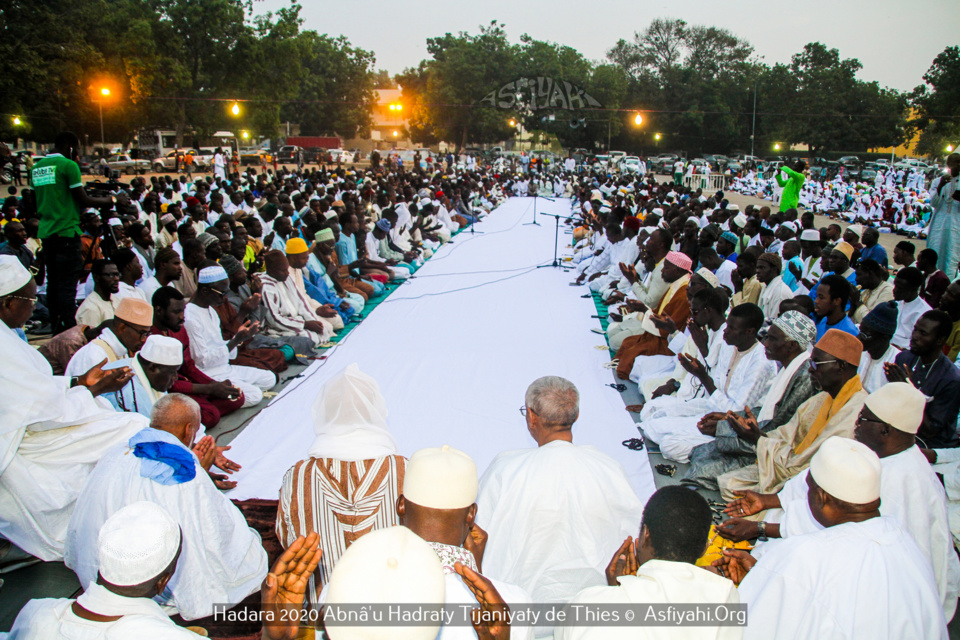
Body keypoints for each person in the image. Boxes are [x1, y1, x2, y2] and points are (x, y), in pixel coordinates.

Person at [722, 383, 960, 621]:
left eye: (862, 419)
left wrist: (760, 567)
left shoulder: (897, 483)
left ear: (885, 430)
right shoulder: (890, 466)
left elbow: (752, 619)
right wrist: (766, 508)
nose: (856, 424)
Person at [716, 437, 948, 640]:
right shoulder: (905, 543)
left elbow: (746, 623)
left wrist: (704, 589)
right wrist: (762, 576)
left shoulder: (804, 556)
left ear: (821, 497)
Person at [64, 394, 269, 621]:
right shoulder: (183, 471)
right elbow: (213, 531)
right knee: (244, 551)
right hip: (144, 584)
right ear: (189, 430)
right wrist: (199, 474)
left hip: (98, 570)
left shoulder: (116, 451)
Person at [0, 256, 147, 561]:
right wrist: (91, 389)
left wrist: (77, 383)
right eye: (30, 299)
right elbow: (39, 412)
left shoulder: (8, 335)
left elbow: (36, 390)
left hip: (43, 420)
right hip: (22, 442)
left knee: (122, 420)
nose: (33, 308)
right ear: (8, 303)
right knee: (133, 427)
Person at [475, 376, 643, 605]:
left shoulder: (506, 467)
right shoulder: (608, 467)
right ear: (576, 415)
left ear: (531, 417)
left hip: (517, 608)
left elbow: (477, 533)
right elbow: (633, 534)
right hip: (595, 605)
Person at [276, 363, 405, 601]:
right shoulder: (406, 471)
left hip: (320, 613)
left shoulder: (297, 475)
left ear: (323, 413)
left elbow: (286, 541)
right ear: (376, 411)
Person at [556, 486, 740, 640]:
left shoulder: (587, 604)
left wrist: (615, 592)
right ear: (704, 548)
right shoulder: (725, 597)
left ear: (645, 534)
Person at [397, 445, 534, 640]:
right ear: (471, 515)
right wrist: (476, 570)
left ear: (401, 505)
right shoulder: (513, 602)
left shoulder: (367, 588)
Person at [717, 329, 867, 500]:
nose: (810, 370)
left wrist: (758, 440)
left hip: (815, 482)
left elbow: (810, 463)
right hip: (788, 465)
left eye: (816, 364)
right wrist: (756, 434)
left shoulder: (857, 412)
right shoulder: (821, 399)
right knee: (728, 483)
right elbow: (786, 434)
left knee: (739, 489)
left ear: (841, 367)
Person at [683, 311, 818, 491]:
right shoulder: (789, 368)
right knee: (699, 453)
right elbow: (765, 412)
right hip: (758, 437)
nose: (765, 344)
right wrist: (728, 417)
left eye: (772, 339)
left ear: (792, 346)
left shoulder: (804, 377)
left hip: (773, 452)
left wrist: (724, 427)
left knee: (702, 467)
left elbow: (778, 429)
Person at [640, 303, 778, 464]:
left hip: (730, 424)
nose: (725, 331)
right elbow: (717, 385)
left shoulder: (760, 363)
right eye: (727, 325)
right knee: (652, 413)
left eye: (732, 328)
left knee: (669, 445)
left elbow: (737, 412)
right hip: (711, 405)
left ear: (750, 331)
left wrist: (703, 377)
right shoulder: (731, 346)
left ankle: (711, 451)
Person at [32, 132, 114, 333]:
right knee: (68, 287)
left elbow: (41, 199)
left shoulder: (36, 167)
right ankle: (70, 330)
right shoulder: (68, 165)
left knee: (53, 285)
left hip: (47, 233)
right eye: (76, 149)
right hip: (66, 232)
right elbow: (83, 199)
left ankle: (57, 329)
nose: (77, 154)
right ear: (70, 147)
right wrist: (110, 200)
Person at [150, 286, 245, 429]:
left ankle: (192, 413)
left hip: (189, 384)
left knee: (237, 397)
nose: (182, 317)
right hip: (169, 389)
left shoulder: (180, 330)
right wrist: (208, 389)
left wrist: (215, 385)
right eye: (176, 312)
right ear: (159, 311)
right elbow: (166, 383)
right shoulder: (151, 339)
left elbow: (189, 367)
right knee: (211, 415)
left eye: (183, 311)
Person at [184, 264, 276, 407]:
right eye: (221, 293)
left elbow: (220, 345)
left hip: (225, 368)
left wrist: (239, 337)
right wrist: (236, 340)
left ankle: (238, 388)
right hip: (209, 375)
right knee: (255, 395)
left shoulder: (211, 311)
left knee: (269, 378)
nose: (225, 298)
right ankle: (217, 395)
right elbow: (202, 360)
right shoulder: (190, 317)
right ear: (205, 291)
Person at [887, 310, 960, 449]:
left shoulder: (951, 379)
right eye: (915, 329)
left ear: (940, 340)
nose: (914, 336)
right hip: (900, 431)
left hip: (930, 445)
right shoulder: (904, 358)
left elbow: (929, 430)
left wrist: (908, 388)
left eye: (923, 333)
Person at [614, 251, 693, 379]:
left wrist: (645, 310)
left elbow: (668, 327)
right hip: (656, 332)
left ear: (677, 271)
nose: (662, 271)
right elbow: (659, 312)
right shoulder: (676, 284)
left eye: (666, 268)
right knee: (628, 343)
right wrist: (643, 309)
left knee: (631, 355)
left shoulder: (684, 293)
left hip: (666, 341)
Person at [259, 250, 335, 346]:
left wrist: (314, 321)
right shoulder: (266, 287)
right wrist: (304, 324)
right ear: (271, 270)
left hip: (297, 321)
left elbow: (301, 302)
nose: (287, 273)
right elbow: (274, 319)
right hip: (279, 327)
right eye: (283, 270)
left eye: (287, 269)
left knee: (324, 329)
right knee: (307, 337)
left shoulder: (286, 278)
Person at [65, 297, 153, 378]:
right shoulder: (94, 355)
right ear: (122, 328)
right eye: (142, 333)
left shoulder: (123, 351)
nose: (144, 340)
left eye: (147, 334)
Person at [927, 153, 959, 279]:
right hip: (939, 224)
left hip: (956, 225)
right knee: (936, 252)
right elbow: (933, 203)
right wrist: (940, 186)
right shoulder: (937, 181)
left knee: (952, 256)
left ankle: (949, 284)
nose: (958, 165)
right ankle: (933, 283)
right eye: (955, 162)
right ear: (949, 164)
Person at [856, 302, 900, 393]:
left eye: (865, 335)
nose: (858, 338)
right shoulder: (860, 352)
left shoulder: (895, 362)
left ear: (884, 338)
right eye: (860, 331)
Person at [890, 266, 933, 350]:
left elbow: (917, 343)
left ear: (913, 289)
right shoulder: (897, 303)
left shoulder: (924, 313)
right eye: (895, 285)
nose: (894, 290)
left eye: (900, 288)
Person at [812, 274, 858, 341]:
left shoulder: (848, 333)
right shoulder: (824, 321)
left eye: (821, 297)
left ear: (836, 301)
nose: (816, 301)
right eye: (817, 296)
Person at [75, 259, 120, 327]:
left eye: (117, 275)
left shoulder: (116, 300)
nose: (116, 279)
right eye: (111, 275)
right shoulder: (90, 308)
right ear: (96, 277)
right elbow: (92, 333)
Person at [849, 258, 894, 324]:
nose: (856, 279)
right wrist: (853, 305)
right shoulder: (864, 292)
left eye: (859, 275)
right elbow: (852, 323)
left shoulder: (888, 291)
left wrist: (858, 302)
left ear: (870, 274)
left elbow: (873, 323)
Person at [755, 253, 792, 319]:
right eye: (757, 268)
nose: (757, 271)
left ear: (774, 269)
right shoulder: (766, 286)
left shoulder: (780, 293)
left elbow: (774, 322)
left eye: (762, 268)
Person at [940, 279, 960, 360]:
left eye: (950, 295)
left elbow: (949, 363)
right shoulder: (942, 316)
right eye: (946, 291)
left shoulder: (958, 330)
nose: (943, 296)